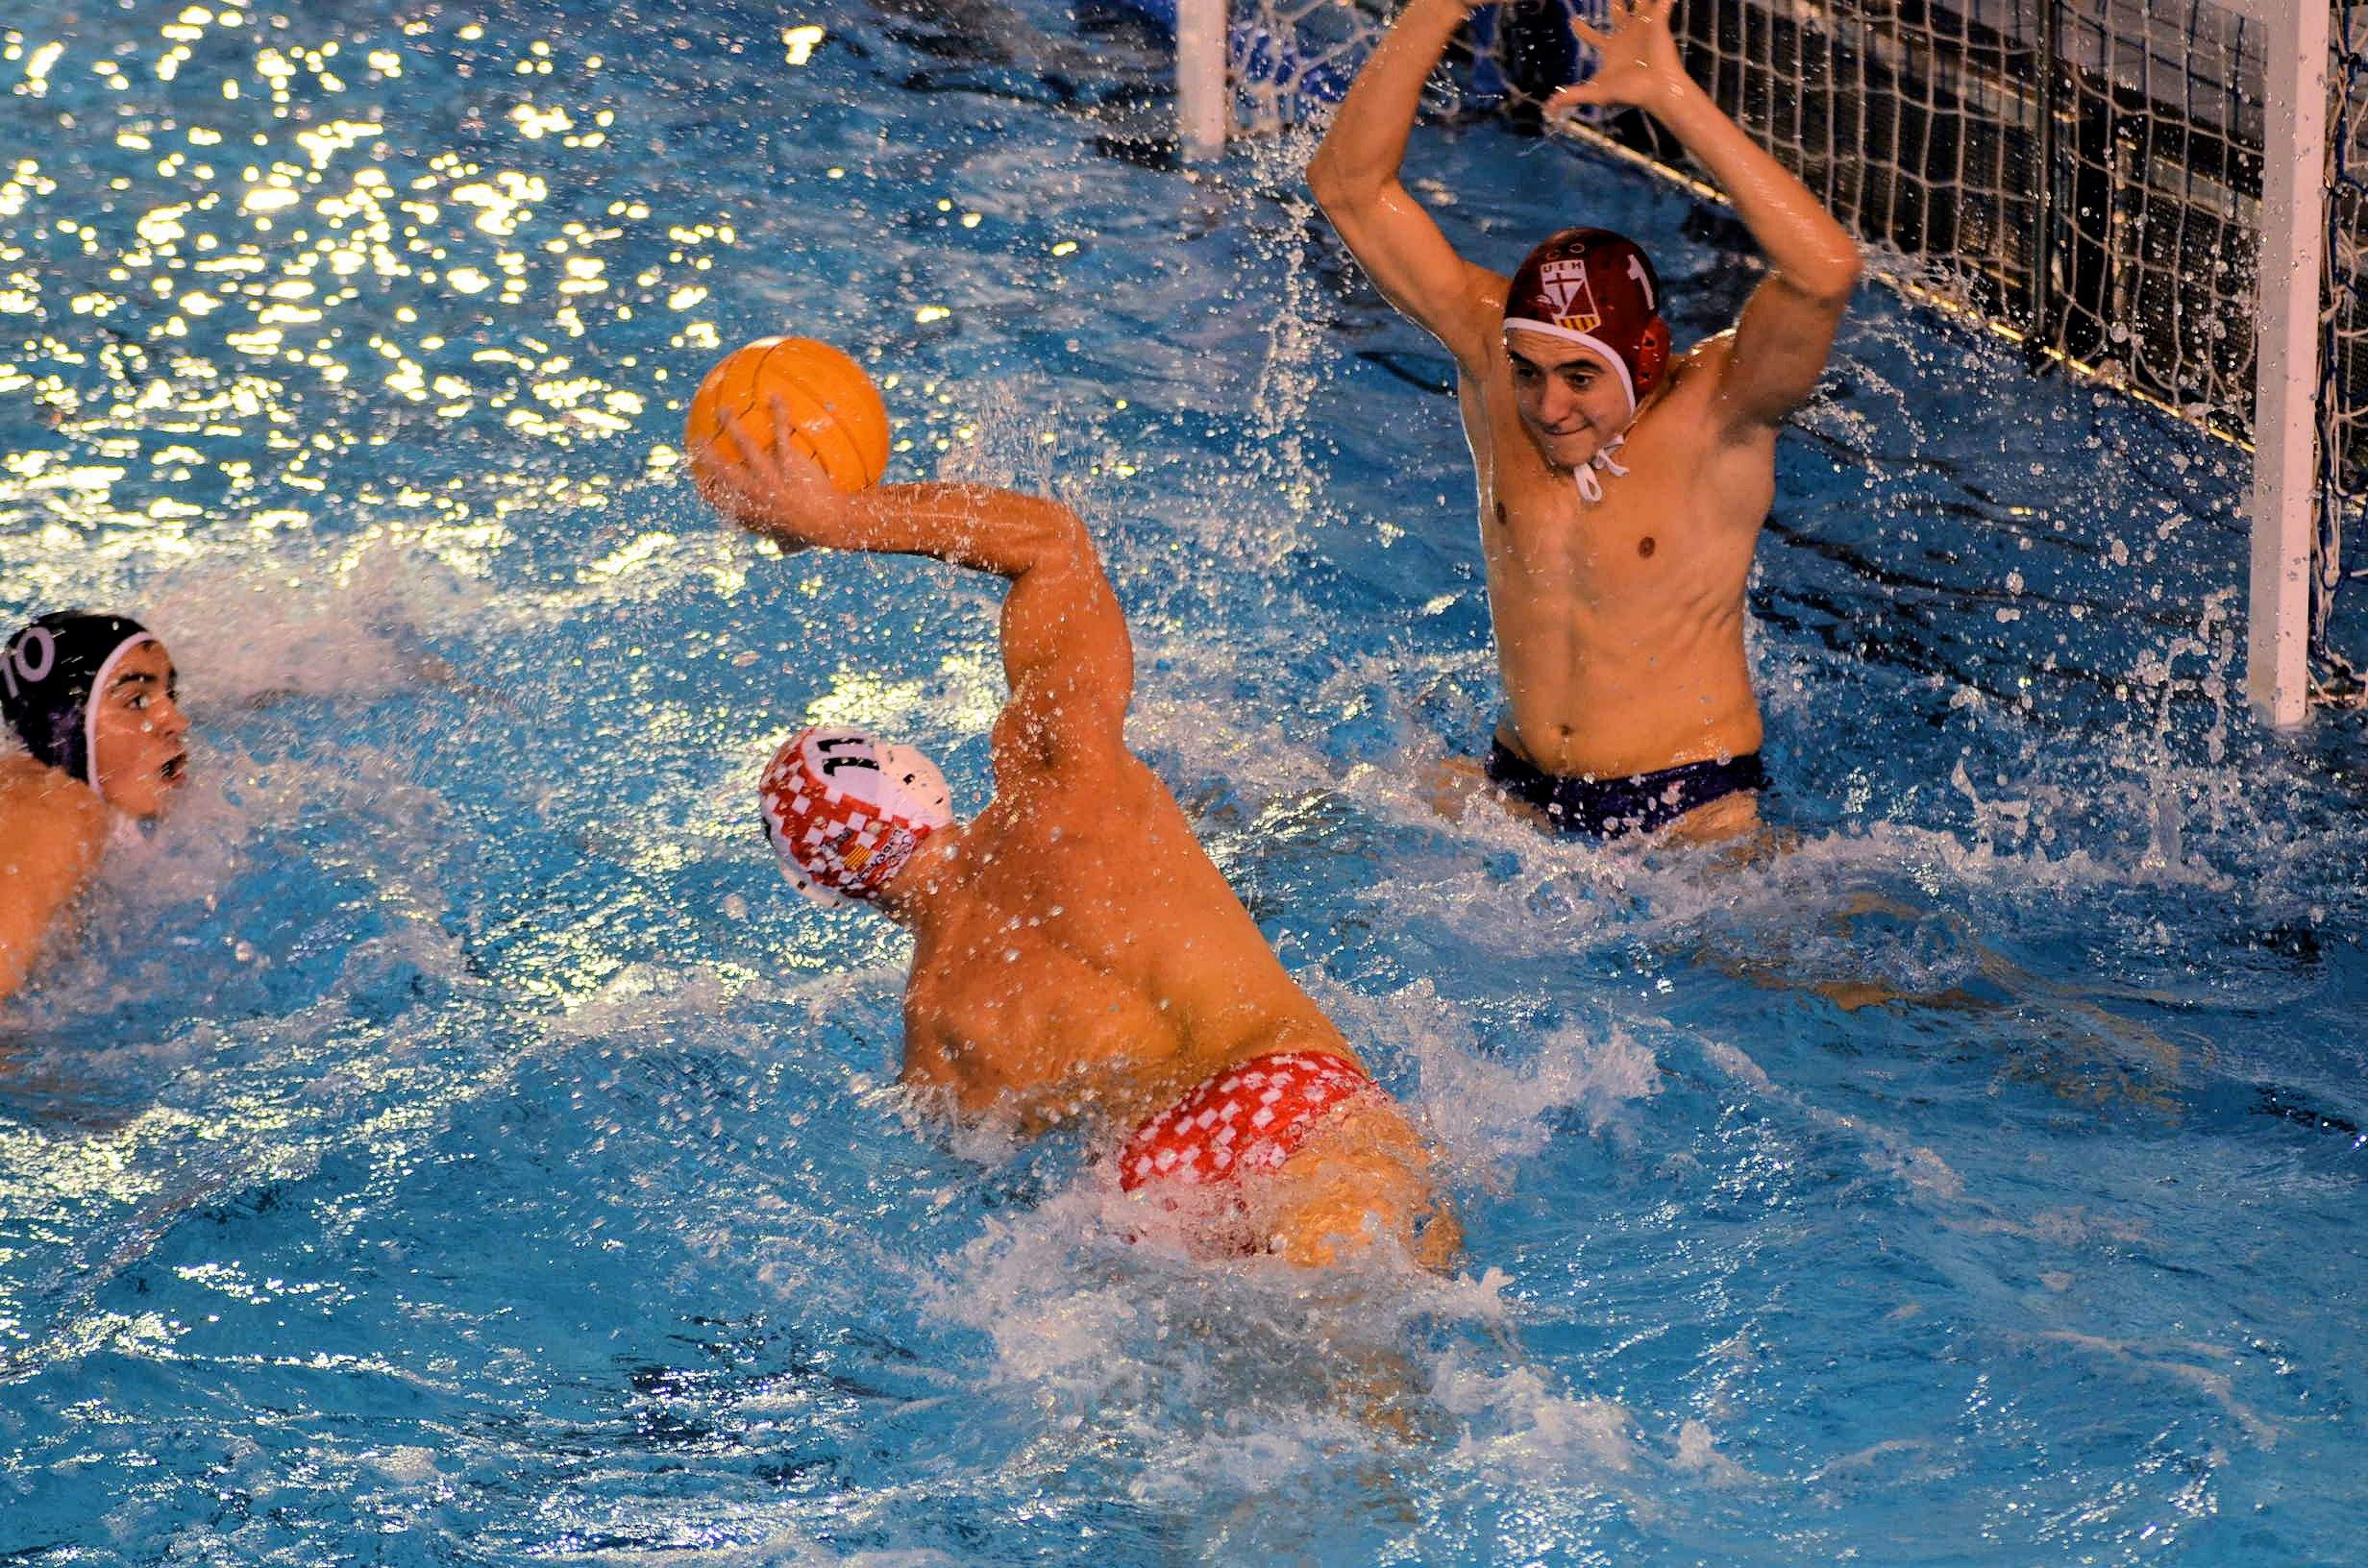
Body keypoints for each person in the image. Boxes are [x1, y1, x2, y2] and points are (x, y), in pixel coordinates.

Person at [694, 413, 1458, 1270]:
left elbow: (991, 1196)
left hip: (1151, 1191)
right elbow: (1053, 546)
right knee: (1391, 1343)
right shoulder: (1060, 777)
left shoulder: (935, 1043)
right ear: (917, 777)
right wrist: (839, 520)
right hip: (1281, 1091)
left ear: (823, 888)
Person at [1308, 0, 1862, 842]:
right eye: (1529, 373)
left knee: (1818, 969)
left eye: (1578, 378)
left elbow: (1823, 272)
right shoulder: (1489, 353)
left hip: (1686, 809)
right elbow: (1347, 187)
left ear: (1644, 363)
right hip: (1517, 784)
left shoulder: (1721, 411)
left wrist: (1670, 96)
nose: (1546, 407)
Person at [0, 613, 189, 1001]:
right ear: (66, 726)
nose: (177, 721)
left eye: (170, 696)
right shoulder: (54, 806)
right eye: (136, 701)